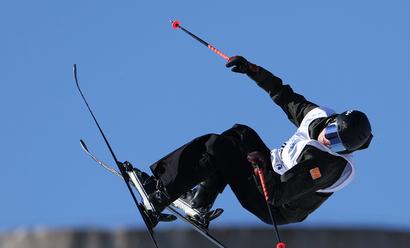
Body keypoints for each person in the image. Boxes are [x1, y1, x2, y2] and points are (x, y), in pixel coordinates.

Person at [136, 55, 373, 227]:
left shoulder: (327, 165)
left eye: (338, 145)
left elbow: (278, 194)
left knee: (217, 146)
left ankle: (161, 195)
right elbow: (283, 95)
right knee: (240, 134)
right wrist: (253, 70)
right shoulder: (317, 116)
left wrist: (260, 167)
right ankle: (200, 200)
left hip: (274, 203)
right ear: (333, 122)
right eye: (332, 135)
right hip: (273, 170)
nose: (329, 142)